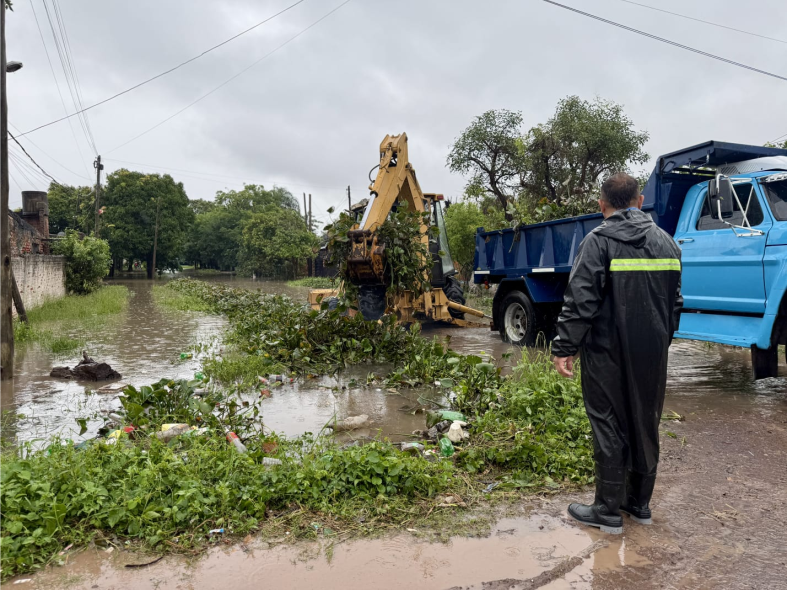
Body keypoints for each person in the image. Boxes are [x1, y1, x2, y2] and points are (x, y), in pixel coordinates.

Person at [552, 172, 683, 534]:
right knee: (645, 419)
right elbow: (675, 303)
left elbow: (581, 299)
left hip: (605, 351)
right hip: (652, 353)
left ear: (602, 206)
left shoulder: (598, 241)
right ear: (640, 202)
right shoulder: (669, 244)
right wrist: (659, 341)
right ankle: (638, 504)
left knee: (607, 422)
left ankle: (607, 510)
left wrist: (565, 346)